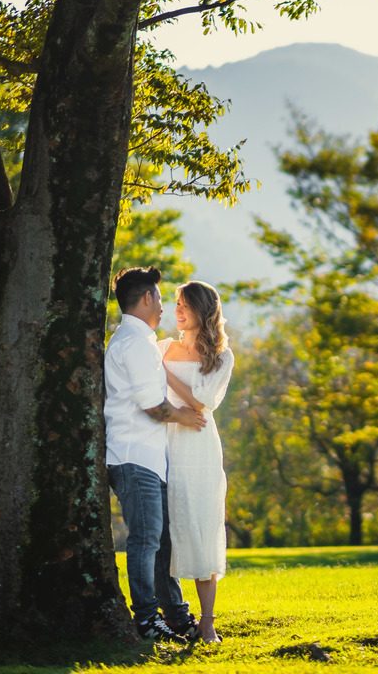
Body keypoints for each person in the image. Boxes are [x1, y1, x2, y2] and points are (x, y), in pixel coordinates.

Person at [104, 267, 207, 642]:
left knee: (161, 541)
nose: (163, 306)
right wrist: (184, 416)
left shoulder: (138, 340)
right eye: (161, 298)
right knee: (146, 540)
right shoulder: (133, 343)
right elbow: (152, 405)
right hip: (132, 458)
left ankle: (176, 616)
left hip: (148, 459)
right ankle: (147, 620)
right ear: (146, 298)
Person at [159, 281, 235, 645]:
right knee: (165, 533)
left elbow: (203, 403)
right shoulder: (160, 347)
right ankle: (170, 613)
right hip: (163, 442)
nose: (177, 311)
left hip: (200, 447)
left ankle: (207, 622)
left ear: (203, 311)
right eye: (175, 303)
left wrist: (165, 373)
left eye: (184, 305)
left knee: (201, 528)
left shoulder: (222, 356)